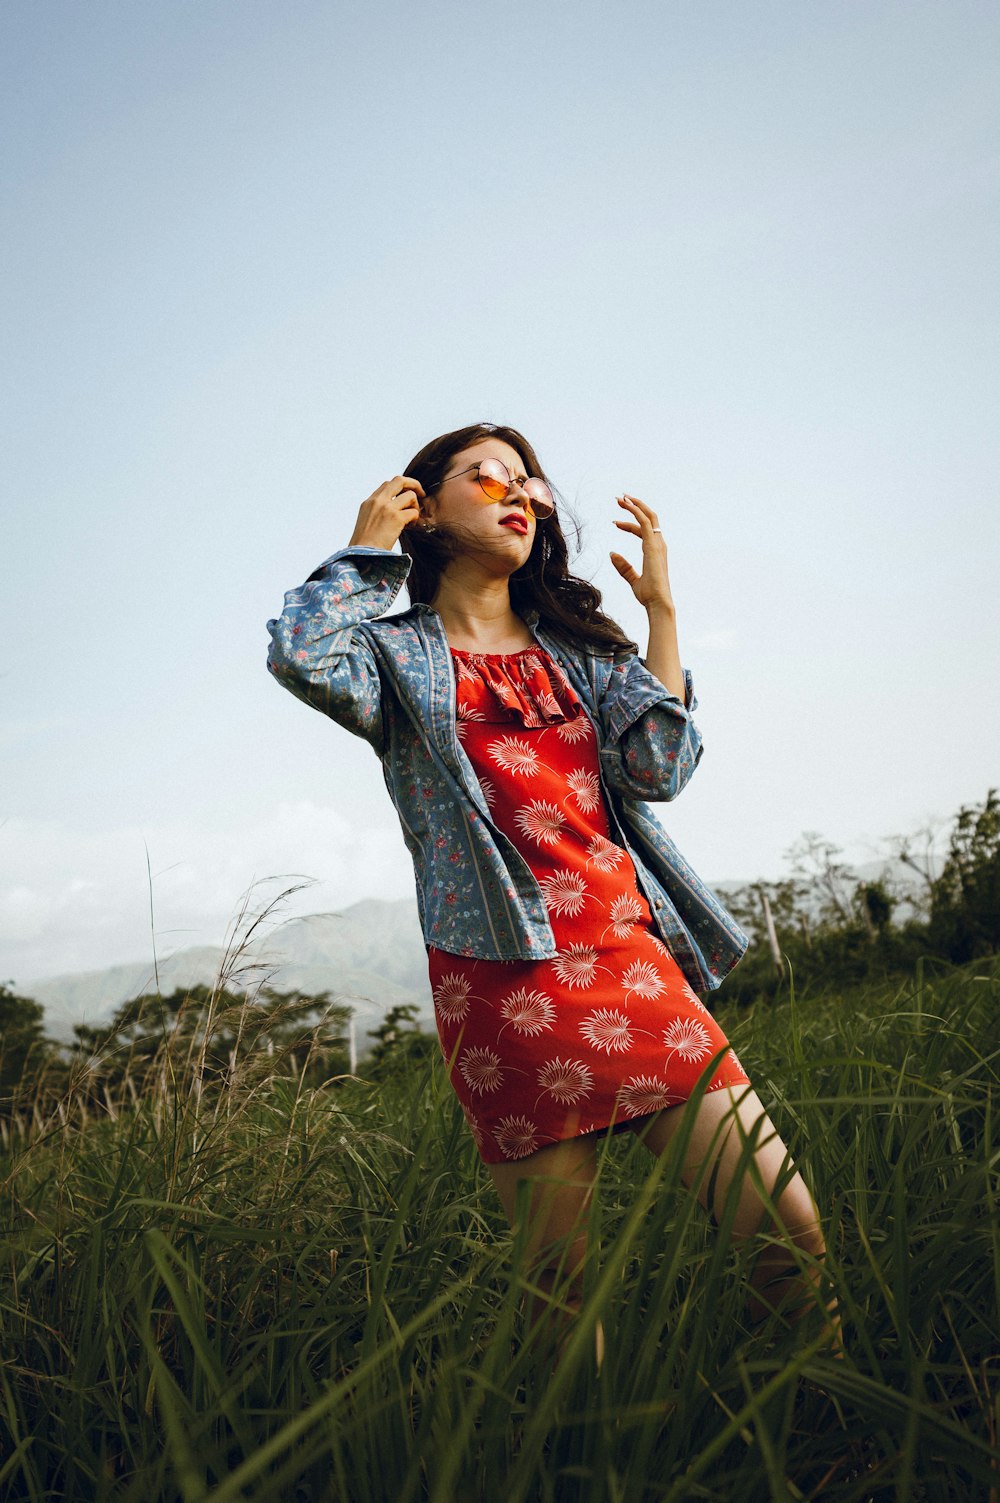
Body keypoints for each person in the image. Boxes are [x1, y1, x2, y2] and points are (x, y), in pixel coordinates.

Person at [266, 422, 831, 1362]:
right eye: (485, 476)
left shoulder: (578, 648)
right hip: (500, 974)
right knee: (563, 1293)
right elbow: (301, 656)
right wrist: (365, 552)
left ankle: (825, 1428)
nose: (517, 491)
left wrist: (660, 612)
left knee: (787, 1225)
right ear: (424, 506)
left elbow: (658, 764)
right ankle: (590, 1462)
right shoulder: (394, 656)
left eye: (527, 478)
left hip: (629, 961)